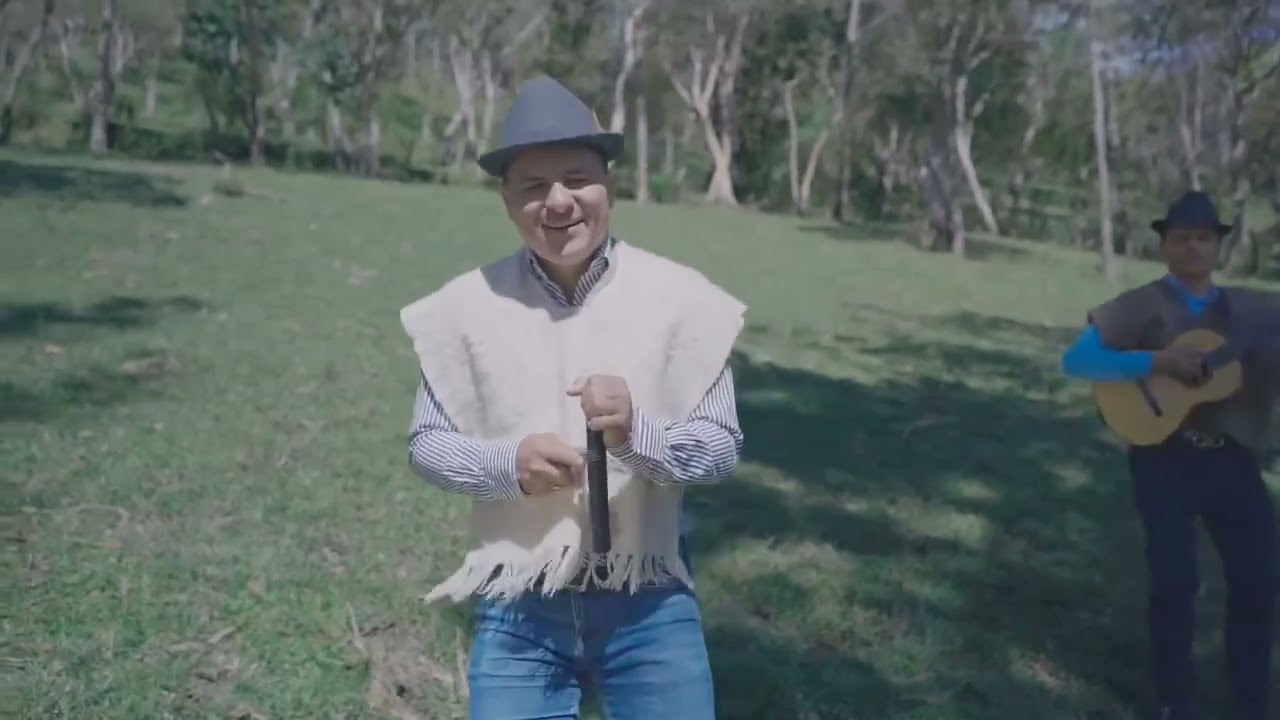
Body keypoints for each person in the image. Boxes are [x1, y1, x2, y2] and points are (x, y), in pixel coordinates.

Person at [397, 75, 746, 720]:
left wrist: (637, 436)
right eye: (533, 186)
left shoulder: (684, 300)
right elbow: (427, 444)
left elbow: (721, 449)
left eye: (577, 178)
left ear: (609, 185)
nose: (558, 202)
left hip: (650, 597)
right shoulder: (466, 308)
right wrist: (509, 467)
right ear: (507, 201)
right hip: (519, 598)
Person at [1059, 190, 1279, 720]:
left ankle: (1251, 700)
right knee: (1176, 580)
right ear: (1164, 245)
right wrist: (1158, 360)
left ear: (1219, 246)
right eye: (1182, 238)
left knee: (1261, 577)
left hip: (1234, 462)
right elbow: (1078, 359)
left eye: (1204, 238)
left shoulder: (1254, 311)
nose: (1193, 248)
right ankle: (1174, 700)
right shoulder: (1144, 303)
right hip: (1165, 457)